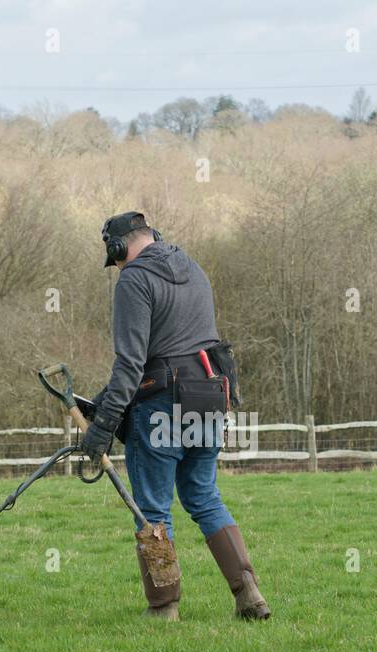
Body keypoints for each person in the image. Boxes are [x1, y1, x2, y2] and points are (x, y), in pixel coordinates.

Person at [80, 211, 270, 622]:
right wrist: (99, 403)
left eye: (114, 259)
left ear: (117, 248)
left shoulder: (134, 280)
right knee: (203, 495)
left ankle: (164, 606)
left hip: (162, 403)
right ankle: (249, 593)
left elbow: (131, 363)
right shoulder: (195, 269)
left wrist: (103, 426)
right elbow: (176, 344)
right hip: (209, 396)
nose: (116, 268)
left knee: (152, 510)